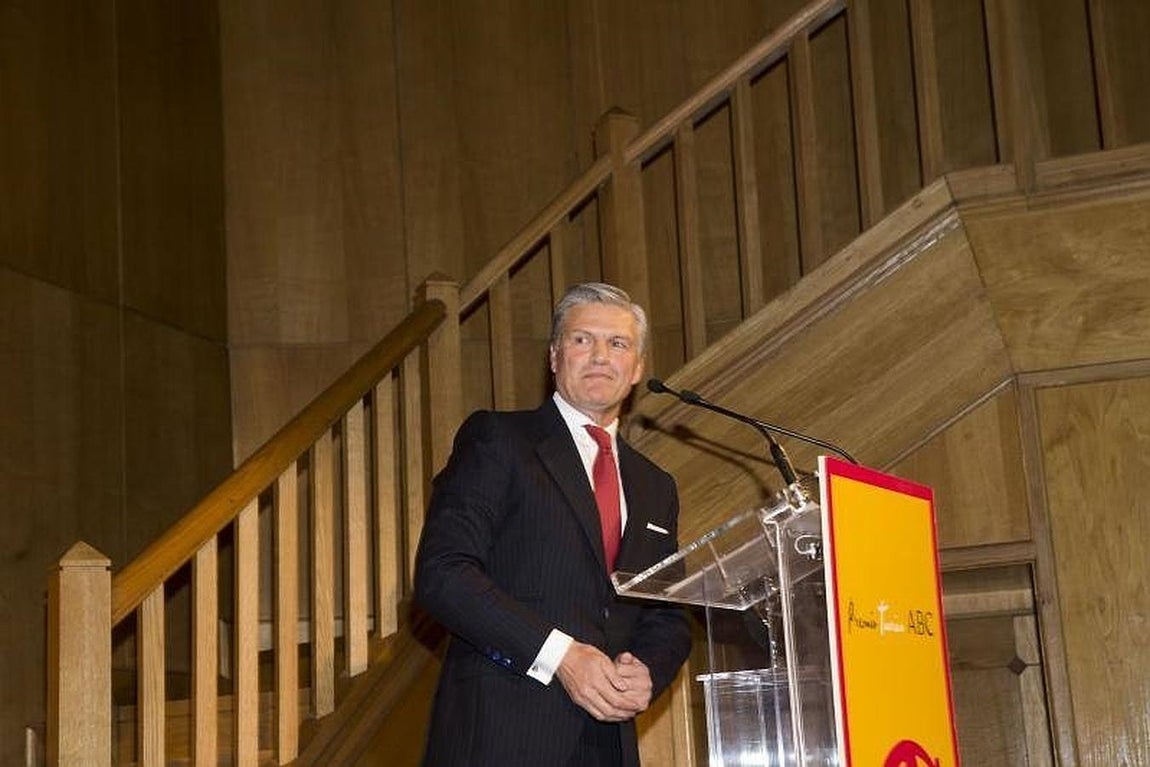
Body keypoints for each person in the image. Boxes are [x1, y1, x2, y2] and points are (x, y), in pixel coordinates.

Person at [414, 282, 692, 766]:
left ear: (638, 370)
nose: (601, 355)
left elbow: (667, 612)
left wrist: (648, 669)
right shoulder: (499, 440)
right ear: (554, 357)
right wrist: (562, 656)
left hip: (608, 743)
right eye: (583, 339)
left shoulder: (656, 485)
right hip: (503, 734)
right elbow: (444, 574)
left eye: (618, 344)